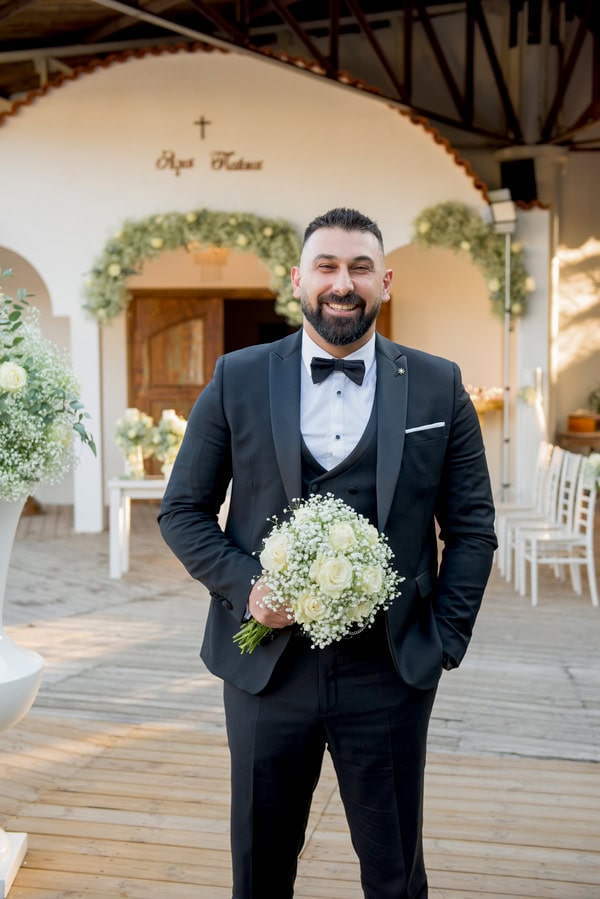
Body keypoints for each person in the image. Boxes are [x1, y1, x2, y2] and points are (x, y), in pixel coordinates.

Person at [159, 207, 497, 898]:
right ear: (298, 280)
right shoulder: (238, 377)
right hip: (264, 670)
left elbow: (472, 526)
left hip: (392, 669)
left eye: (360, 268)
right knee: (259, 871)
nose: (343, 284)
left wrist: (444, 640)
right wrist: (247, 586)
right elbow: (183, 511)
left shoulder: (438, 384)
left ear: (386, 281)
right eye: (328, 266)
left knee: (395, 875)